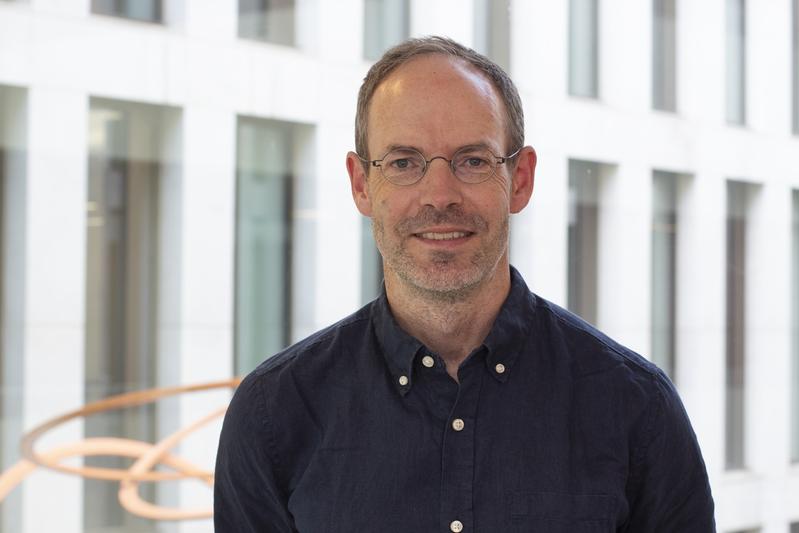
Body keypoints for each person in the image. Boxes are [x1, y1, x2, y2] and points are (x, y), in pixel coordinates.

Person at [214, 36, 715, 532]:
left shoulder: (637, 408)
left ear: (520, 180)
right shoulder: (273, 414)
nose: (440, 195)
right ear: (361, 184)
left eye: (473, 160)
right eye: (404, 162)